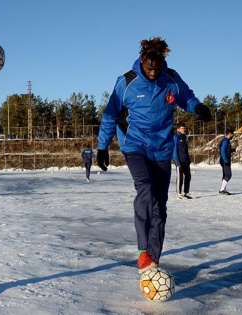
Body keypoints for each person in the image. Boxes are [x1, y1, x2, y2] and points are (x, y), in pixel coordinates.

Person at [96, 37, 211, 274]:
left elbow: (186, 97)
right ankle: (142, 251)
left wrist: (197, 107)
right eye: (149, 68)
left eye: (157, 69)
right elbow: (110, 115)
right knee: (145, 189)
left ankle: (153, 260)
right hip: (135, 145)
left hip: (161, 148)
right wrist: (102, 146)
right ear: (141, 61)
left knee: (160, 204)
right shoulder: (127, 81)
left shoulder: (170, 78)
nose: (153, 73)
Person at [173, 122, 192, 199]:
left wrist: (189, 160)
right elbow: (174, 151)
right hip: (179, 161)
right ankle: (179, 194)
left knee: (188, 176)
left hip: (186, 161)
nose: (183, 129)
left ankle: (186, 193)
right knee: (180, 178)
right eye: (182, 128)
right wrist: (177, 162)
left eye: (184, 128)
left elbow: (185, 150)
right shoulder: (176, 137)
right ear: (178, 129)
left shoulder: (184, 137)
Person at [219, 128, 235, 195]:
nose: (233, 136)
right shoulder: (225, 141)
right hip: (224, 160)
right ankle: (222, 189)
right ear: (230, 134)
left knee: (225, 175)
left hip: (225, 160)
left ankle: (224, 189)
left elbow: (225, 150)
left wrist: (231, 150)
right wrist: (226, 160)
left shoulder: (227, 141)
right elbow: (222, 151)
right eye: (232, 134)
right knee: (228, 175)